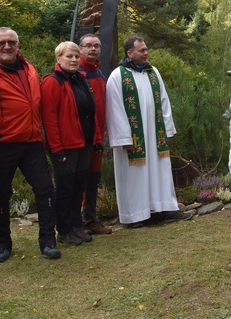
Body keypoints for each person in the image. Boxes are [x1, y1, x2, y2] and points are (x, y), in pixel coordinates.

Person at [0, 27, 60, 261]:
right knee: (0, 195)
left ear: (18, 45)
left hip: (32, 142)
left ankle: (48, 241)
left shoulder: (29, 68)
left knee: (46, 190)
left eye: (11, 42)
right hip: (2, 143)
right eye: (1, 43)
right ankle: (3, 243)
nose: (7, 46)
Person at [106, 36, 192, 227]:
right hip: (133, 138)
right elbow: (115, 109)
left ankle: (166, 208)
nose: (146, 53)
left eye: (146, 49)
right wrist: (123, 137)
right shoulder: (118, 76)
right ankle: (136, 215)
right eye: (141, 50)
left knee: (160, 170)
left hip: (155, 135)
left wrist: (167, 129)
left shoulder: (153, 73)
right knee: (134, 175)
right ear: (130, 53)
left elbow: (163, 101)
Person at [41, 42, 98, 246]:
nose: (73, 60)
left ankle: (76, 226)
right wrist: (57, 149)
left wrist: (95, 139)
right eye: (68, 56)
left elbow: (91, 113)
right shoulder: (52, 82)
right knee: (65, 189)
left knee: (78, 187)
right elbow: (49, 119)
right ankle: (64, 230)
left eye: (75, 56)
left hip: (83, 143)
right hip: (65, 146)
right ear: (58, 58)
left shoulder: (80, 80)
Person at [77, 34, 112, 235]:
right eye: (88, 46)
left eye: (96, 46)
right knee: (79, 181)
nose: (93, 49)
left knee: (93, 179)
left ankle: (90, 220)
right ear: (80, 49)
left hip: (97, 137)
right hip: (81, 138)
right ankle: (76, 222)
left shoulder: (99, 74)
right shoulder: (76, 73)